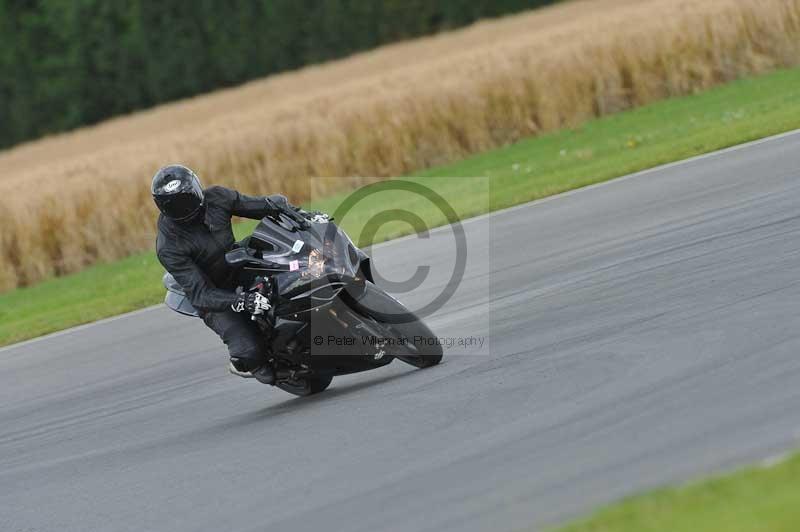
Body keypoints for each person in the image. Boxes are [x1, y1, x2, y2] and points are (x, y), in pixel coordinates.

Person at [152, 164, 295, 384]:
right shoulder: (169, 246)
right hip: (214, 295)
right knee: (251, 353)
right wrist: (242, 300)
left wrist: (286, 208)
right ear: (164, 208)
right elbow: (201, 294)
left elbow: (258, 205)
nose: (187, 207)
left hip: (237, 266)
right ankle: (244, 362)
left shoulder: (217, 197)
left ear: (197, 188)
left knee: (290, 267)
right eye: (177, 205)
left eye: (189, 197)